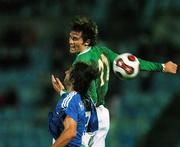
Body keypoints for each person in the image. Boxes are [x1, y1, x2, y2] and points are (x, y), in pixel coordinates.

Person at [67, 15, 178, 147]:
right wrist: (163, 67)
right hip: (100, 109)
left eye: (76, 39)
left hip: (95, 107)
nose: (71, 42)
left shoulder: (86, 59)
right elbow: (132, 64)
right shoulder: (100, 53)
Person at [48, 62, 98, 147]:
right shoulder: (88, 101)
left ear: (73, 80)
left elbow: (70, 132)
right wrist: (62, 93)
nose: (66, 72)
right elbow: (92, 130)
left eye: (69, 71)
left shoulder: (71, 101)